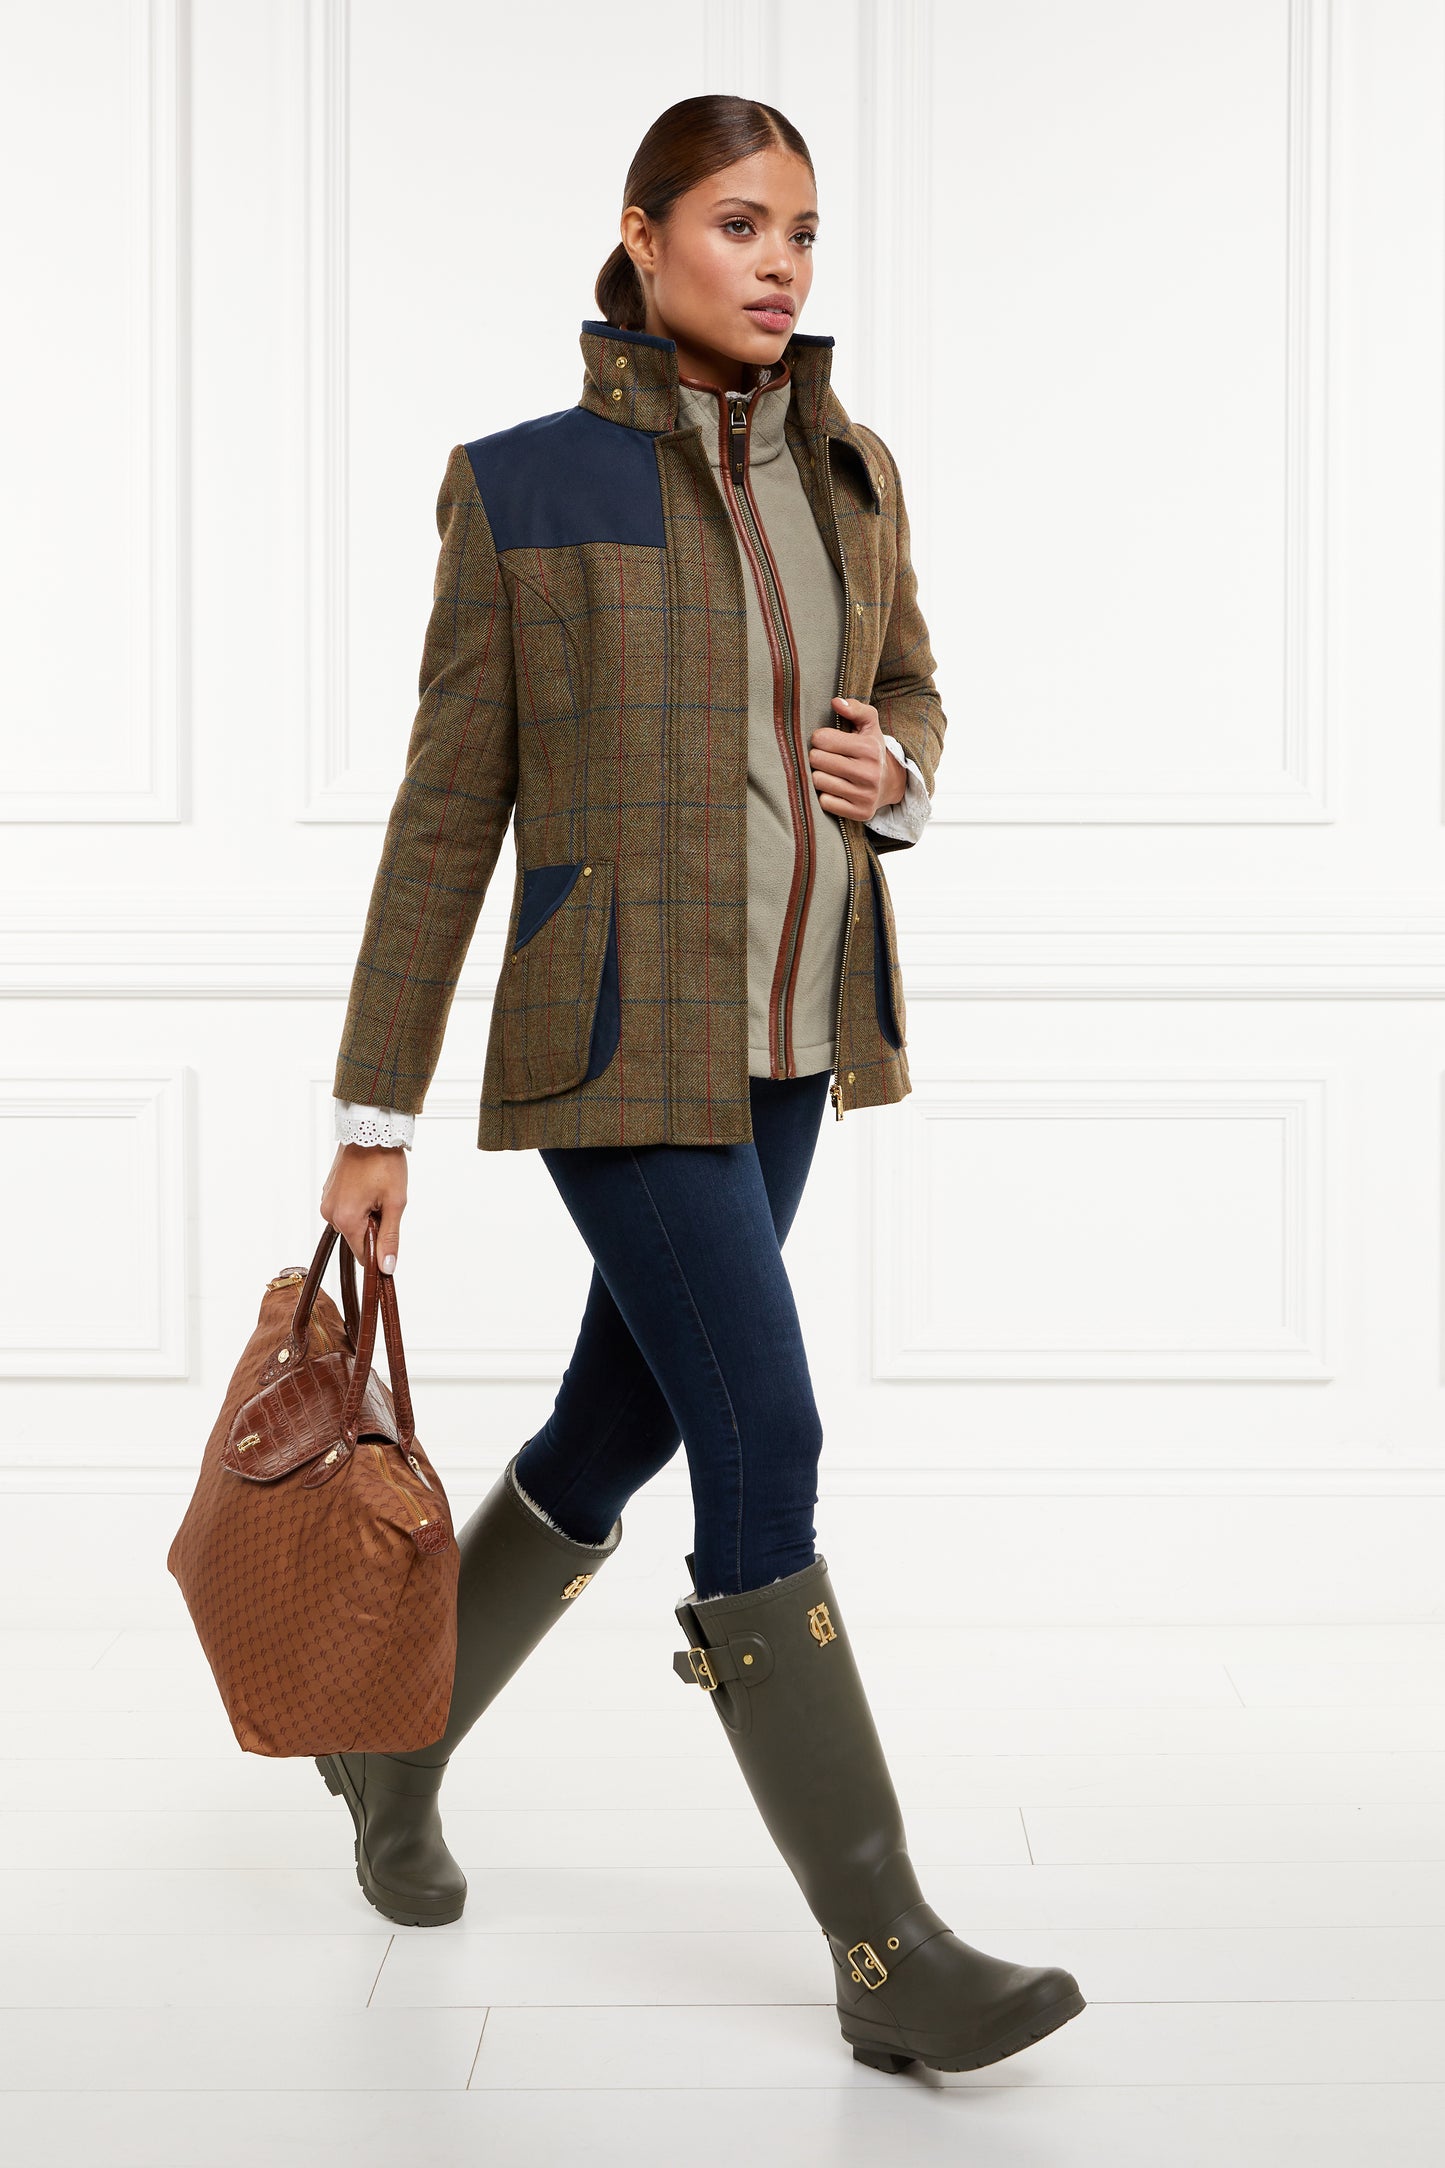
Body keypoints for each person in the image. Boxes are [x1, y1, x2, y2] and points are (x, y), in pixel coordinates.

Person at [316, 93, 1084, 2076]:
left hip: (798, 1035)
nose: (780, 265)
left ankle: (386, 1741)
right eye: (740, 224)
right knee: (766, 1429)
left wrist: (898, 775)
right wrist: (374, 1115)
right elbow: (443, 813)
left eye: (804, 232)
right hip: (616, 1043)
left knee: (615, 1421)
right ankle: (886, 1946)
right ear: (643, 233)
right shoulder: (521, 488)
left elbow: (909, 687)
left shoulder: (849, 468)